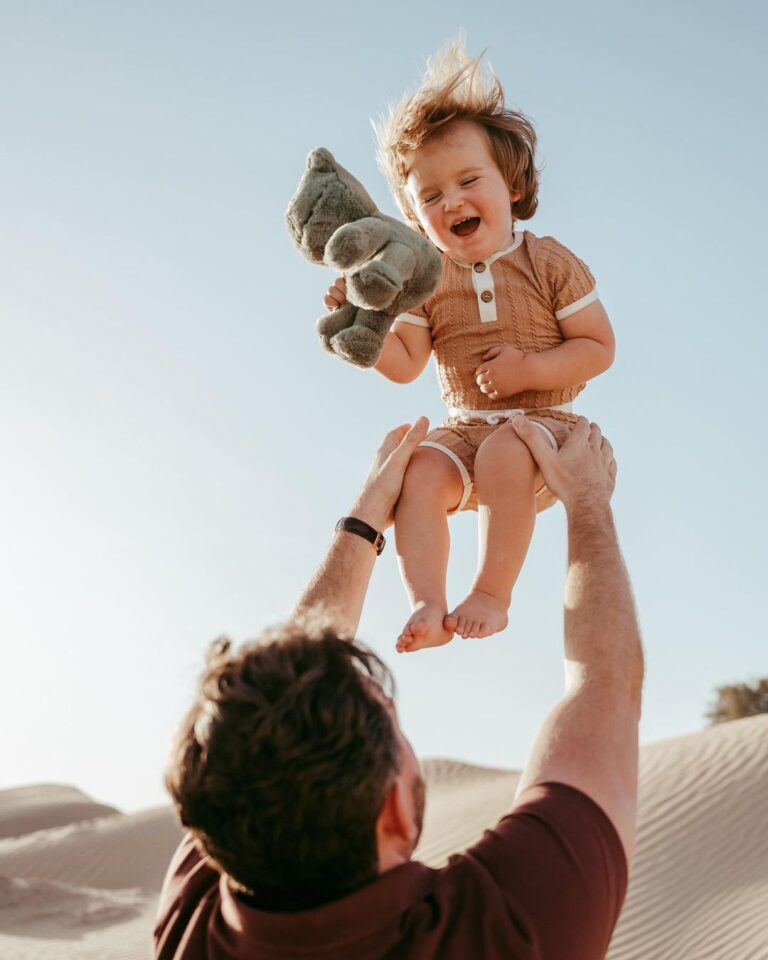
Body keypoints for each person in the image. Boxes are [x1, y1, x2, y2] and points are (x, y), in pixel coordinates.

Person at [154, 413, 643, 960]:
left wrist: (366, 518)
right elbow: (606, 683)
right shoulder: (506, 927)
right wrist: (588, 502)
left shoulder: (194, 925)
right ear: (396, 812)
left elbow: (608, 688)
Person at [324, 42, 615, 652]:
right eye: (429, 197)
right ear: (415, 217)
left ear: (510, 184)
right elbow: (407, 365)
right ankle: (427, 601)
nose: (450, 200)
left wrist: (530, 368)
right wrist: (364, 331)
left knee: (506, 450)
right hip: (466, 431)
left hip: (541, 433)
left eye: (467, 180)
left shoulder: (548, 261)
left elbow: (596, 346)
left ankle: (490, 593)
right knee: (422, 469)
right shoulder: (425, 283)